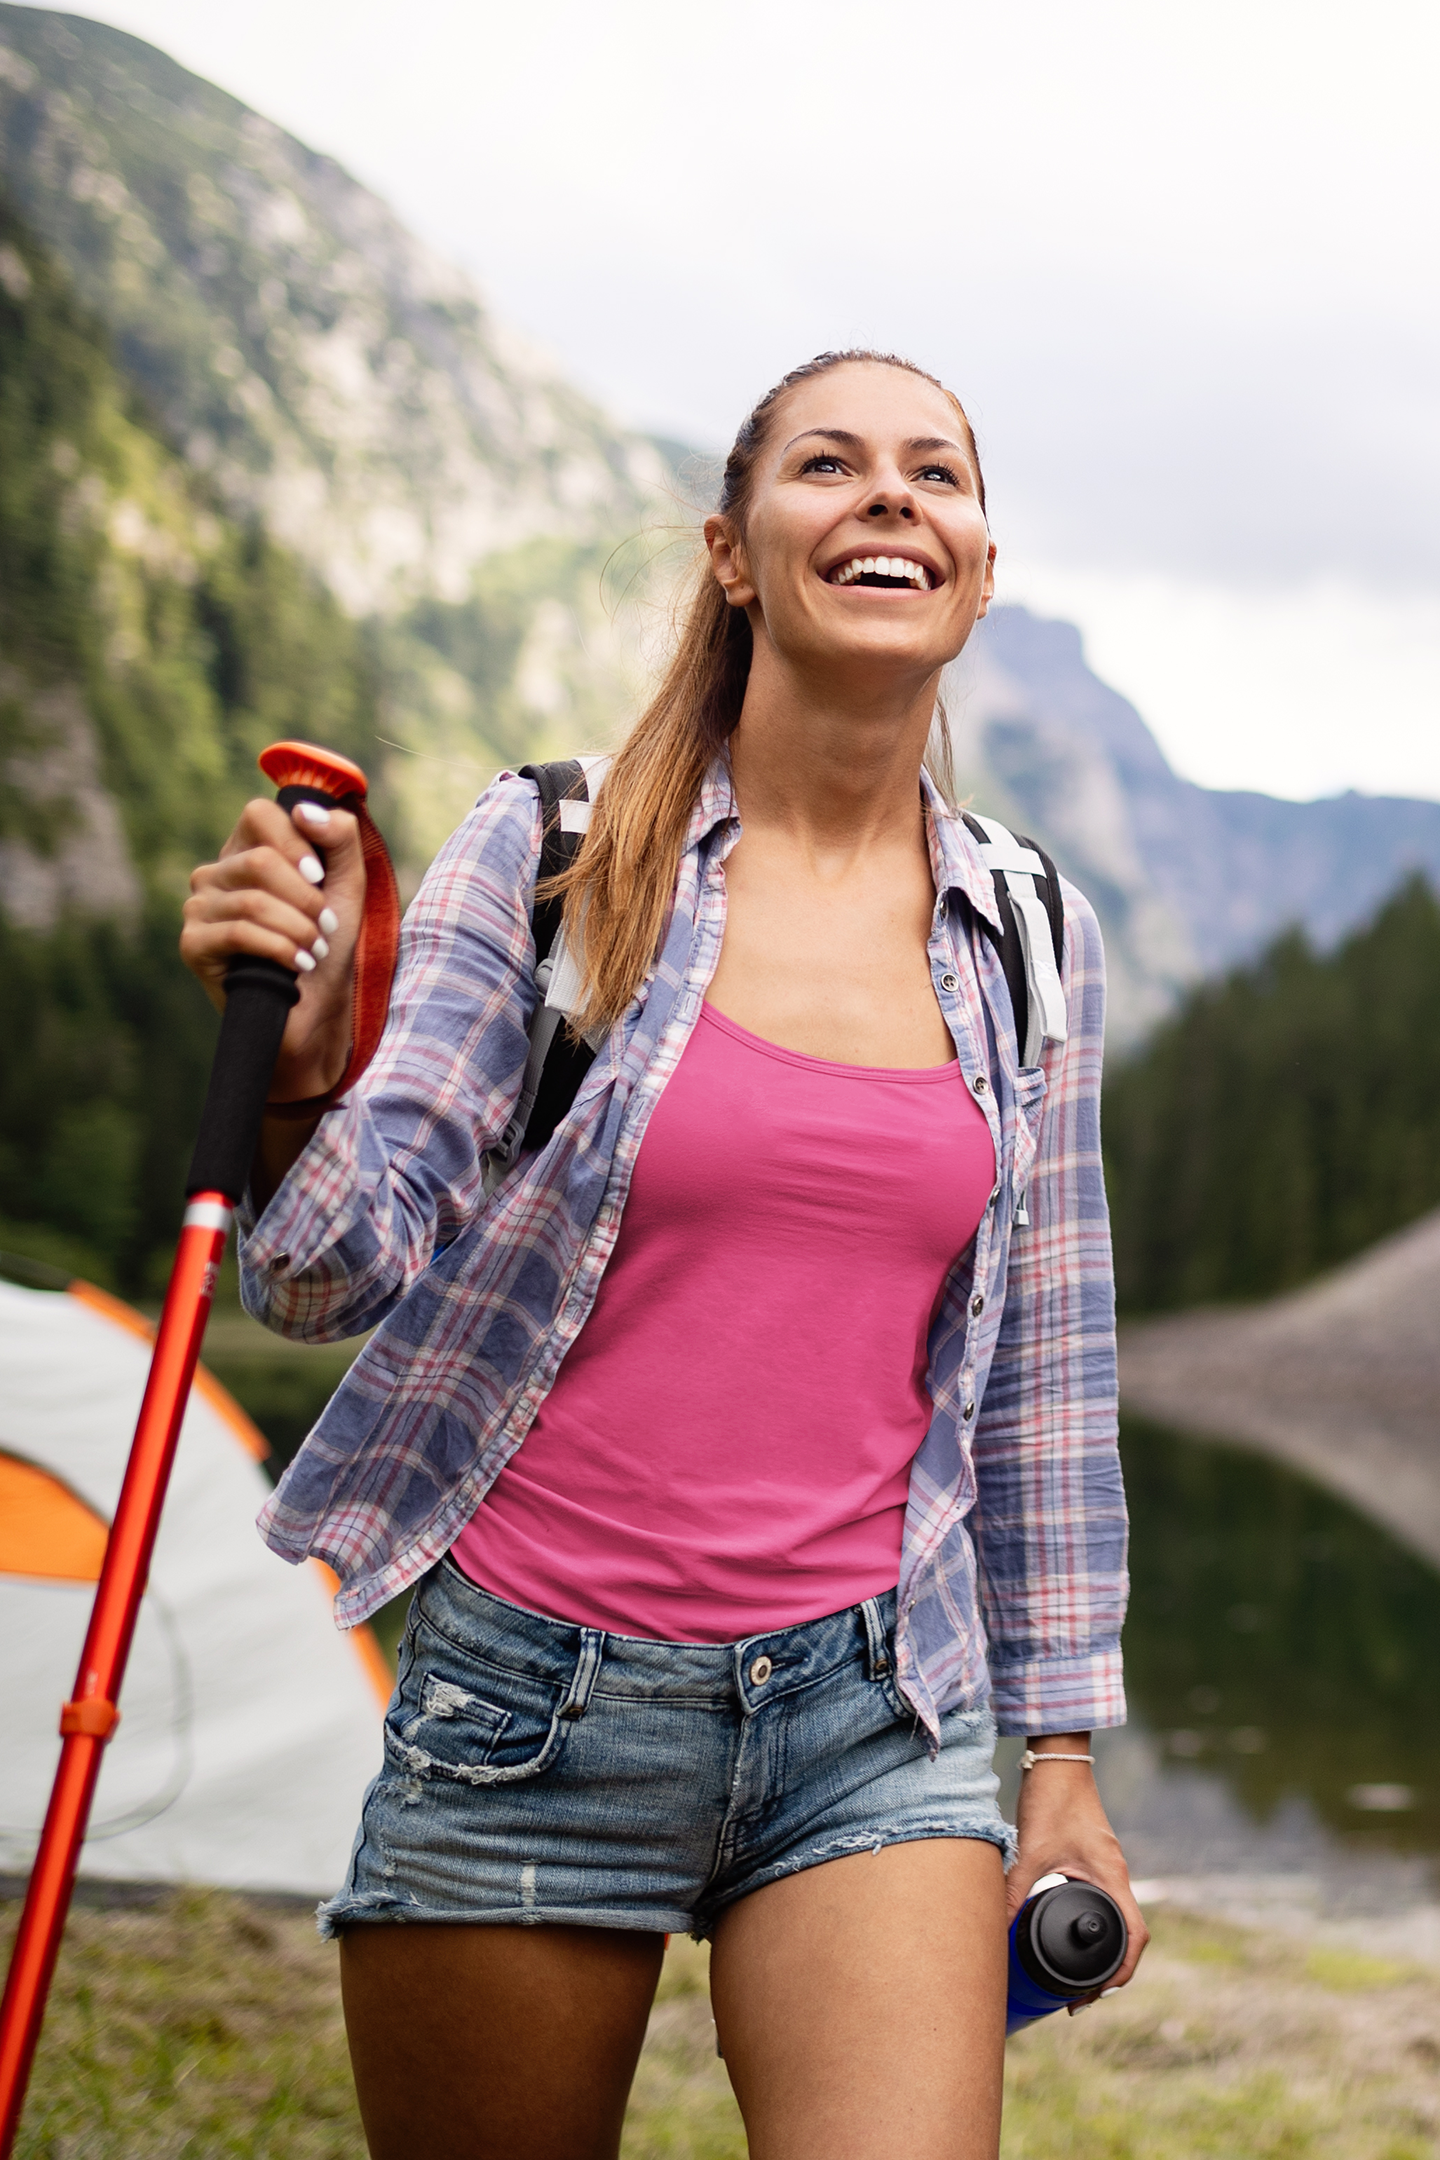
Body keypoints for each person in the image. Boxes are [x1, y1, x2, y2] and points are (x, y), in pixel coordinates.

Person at [180, 349, 1143, 2160]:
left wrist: (1066, 1762)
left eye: (934, 473)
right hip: (533, 1692)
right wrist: (299, 1091)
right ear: (730, 548)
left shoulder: (1030, 930)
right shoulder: (552, 850)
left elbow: (1050, 1370)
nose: (886, 497)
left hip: (878, 1711)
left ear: (982, 567)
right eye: (828, 465)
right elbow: (325, 1279)